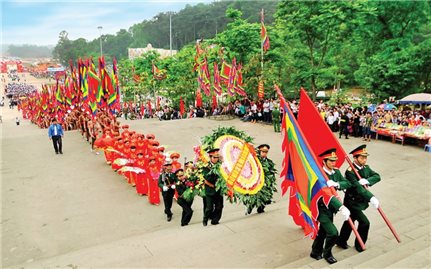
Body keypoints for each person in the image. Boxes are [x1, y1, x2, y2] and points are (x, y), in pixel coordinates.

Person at [311, 148, 351, 264]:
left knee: (323, 232)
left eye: (335, 161)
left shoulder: (336, 172)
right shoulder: (320, 175)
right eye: (331, 161)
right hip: (321, 209)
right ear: (324, 161)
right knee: (333, 233)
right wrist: (341, 207)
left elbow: (347, 183)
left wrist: (337, 184)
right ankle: (327, 253)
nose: (334, 163)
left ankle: (315, 251)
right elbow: (327, 195)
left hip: (331, 209)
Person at [337, 144, 380, 252]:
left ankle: (341, 240)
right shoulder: (350, 171)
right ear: (355, 158)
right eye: (362, 158)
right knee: (365, 222)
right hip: (352, 202)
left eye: (365, 157)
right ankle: (359, 244)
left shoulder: (366, 167)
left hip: (360, 201)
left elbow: (377, 176)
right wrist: (371, 197)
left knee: (349, 221)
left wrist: (368, 181)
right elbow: (358, 188)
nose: (364, 160)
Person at [246, 144, 277, 214]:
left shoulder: (269, 162)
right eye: (263, 152)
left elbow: (271, 172)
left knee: (264, 195)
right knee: (254, 195)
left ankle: (261, 208)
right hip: (256, 181)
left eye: (266, 152)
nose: (264, 153)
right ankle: (251, 205)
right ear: (259, 151)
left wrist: (271, 181)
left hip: (265, 182)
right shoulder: (255, 160)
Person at [202, 148, 223, 226]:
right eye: (214, 157)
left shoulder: (220, 165)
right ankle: (205, 219)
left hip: (219, 190)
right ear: (210, 157)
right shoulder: (206, 167)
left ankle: (215, 220)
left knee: (219, 206)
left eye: (217, 157)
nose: (216, 159)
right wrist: (218, 176)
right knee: (209, 208)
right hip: (210, 190)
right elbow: (208, 178)